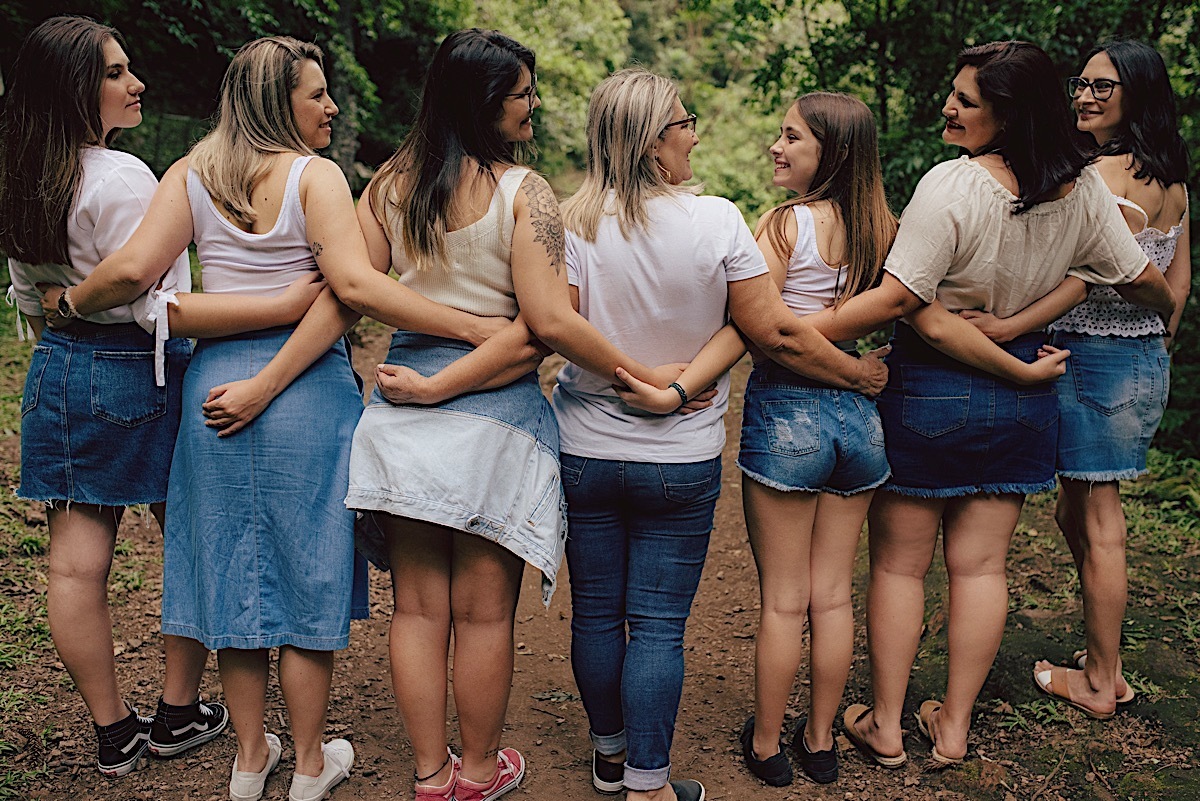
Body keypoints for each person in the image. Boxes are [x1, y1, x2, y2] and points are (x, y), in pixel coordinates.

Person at [36, 36, 495, 801]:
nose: (331, 107)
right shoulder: (316, 177)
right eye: (317, 94)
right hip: (308, 393)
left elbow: (137, 277)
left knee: (230, 576)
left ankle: (251, 758)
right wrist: (471, 326)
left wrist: (70, 304)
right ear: (280, 102)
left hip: (213, 390)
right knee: (309, 578)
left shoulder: (192, 172)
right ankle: (310, 763)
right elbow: (351, 288)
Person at [799, 41, 1175, 768]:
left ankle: (885, 725)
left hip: (932, 386)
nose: (947, 107)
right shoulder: (1080, 190)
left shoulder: (953, 185)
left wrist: (792, 327)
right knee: (981, 570)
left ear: (1008, 115)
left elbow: (902, 298)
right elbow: (1137, 276)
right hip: (1026, 386)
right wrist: (1168, 309)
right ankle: (954, 727)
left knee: (900, 568)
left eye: (965, 101)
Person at [0, 15, 320, 778]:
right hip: (139, 368)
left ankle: (114, 732)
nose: (135, 83)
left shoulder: (19, 177)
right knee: (190, 540)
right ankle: (179, 710)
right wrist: (283, 304)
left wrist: (66, 319)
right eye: (115, 73)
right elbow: (159, 305)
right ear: (74, 88)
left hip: (59, 366)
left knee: (74, 567)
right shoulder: (121, 177)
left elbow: (33, 303)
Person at [959, 41, 1190, 718]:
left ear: (1137, 93)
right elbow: (1178, 283)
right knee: (1077, 511)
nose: (1084, 96)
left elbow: (1089, 276)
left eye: (1102, 86)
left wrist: (1007, 325)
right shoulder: (1172, 179)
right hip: (1142, 359)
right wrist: (1159, 341)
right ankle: (1102, 654)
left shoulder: (1103, 177)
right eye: (1080, 84)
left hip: (1093, 358)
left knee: (1098, 520)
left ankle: (1100, 681)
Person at [733, 92, 897, 787]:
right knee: (831, 595)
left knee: (783, 599)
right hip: (859, 423)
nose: (777, 146)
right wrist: (859, 372)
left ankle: (769, 744)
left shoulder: (784, 225)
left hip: (788, 413)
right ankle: (822, 740)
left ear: (833, 152)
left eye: (792, 136)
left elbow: (765, 331)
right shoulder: (884, 230)